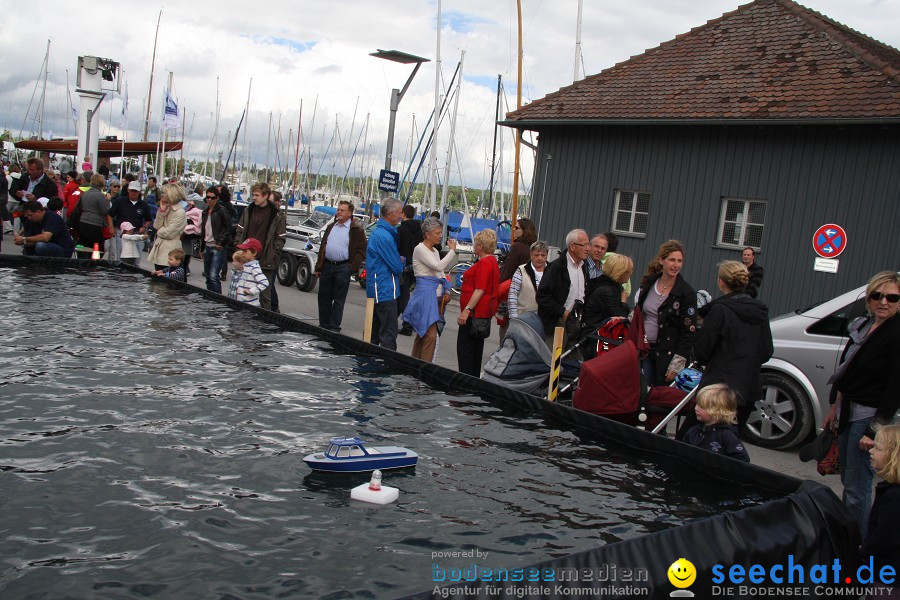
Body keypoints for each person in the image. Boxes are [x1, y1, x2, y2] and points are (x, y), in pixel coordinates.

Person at [824, 270, 900, 535]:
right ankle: (849, 533)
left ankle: (856, 544)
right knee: (848, 480)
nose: (884, 302)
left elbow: (895, 387)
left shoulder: (895, 332)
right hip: (848, 410)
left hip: (868, 417)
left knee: (858, 487)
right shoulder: (864, 327)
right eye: (877, 296)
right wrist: (835, 406)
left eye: (891, 297)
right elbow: (848, 370)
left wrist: (874, 430)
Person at [690, 260, 774, 431]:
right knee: (730, 438)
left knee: (697, 437)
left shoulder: (720, 310)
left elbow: (702, 351)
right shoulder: (760, 311)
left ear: (721, 282)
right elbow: (766, 350)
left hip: (718, 389)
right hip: (747, 388)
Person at [635, 240, 698, 386]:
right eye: (672, 260)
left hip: (667, 355)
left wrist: (677, 363)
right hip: (642, 349)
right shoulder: (649, 283)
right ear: (661, 260)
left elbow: (688, 332)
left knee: (657, 395)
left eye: (679, 261)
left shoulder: (686, 293)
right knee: (640, 390)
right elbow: (639, 313)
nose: (676, 265)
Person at [402, 217, 457, 362]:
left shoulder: (434, 251)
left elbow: (439, 273)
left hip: (434, 296)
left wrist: (446, 291)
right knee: (430, 335)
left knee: (423, 334)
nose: (440, 236)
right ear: (427, 234)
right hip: (425, 295)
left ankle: (414, 366)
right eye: (438, 233)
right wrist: (452, 252)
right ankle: (424, 367)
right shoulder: (420, 249)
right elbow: (438, 267)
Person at [315, 200, 367, 332]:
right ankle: (324, 324)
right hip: (327, 265)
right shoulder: (331, 226)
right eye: (338, 209)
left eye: (342, 210)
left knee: (338, 299)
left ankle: (333, 326)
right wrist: (319, 266)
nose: (339, 212)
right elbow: (323, 247)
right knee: (323, 296)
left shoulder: (356, 230)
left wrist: (351, 267)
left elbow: (362, 250)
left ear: (350, 213)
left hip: (343, 267)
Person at [234, 182, 286, 311]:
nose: (254, 198)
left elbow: (280, 239)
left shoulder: (277, 215)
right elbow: (240, 230)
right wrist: (238, 251)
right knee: (242, 289)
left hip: (266, 258)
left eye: (257, 195)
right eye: (253, 195)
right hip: (246, 256)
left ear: (266, 196)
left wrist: (273, 254)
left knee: (264, 293)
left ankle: (265, 322)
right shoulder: (248, 210)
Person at [456, 229, 500, 377]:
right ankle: (472, 380)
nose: (474, 246)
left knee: (466, 350)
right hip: (482, 313)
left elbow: (480, 289)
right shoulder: (492, 261)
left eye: (476, 243)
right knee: (475, 350)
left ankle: (465, 381)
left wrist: (467, 310)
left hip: (474, 314)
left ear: (480, 245)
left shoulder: (484, 263)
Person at [536, 229, 590, 349]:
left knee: (571, 362)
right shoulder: (557, 267)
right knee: (551, 363)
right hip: (557, 324)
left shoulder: (584, 267)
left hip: (576, 325)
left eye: (588, 244)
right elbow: (542, 297)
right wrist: (562, 312)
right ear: (572, 246)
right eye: (584, 245)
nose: (588, 248)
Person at [365, 197, 406, 349]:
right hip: (384, 290)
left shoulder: (382, 233)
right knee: (388, 333)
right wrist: (401, 260)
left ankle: (367, 364)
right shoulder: (384, 236)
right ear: (389, 213)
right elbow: (396, 266)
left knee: (374, 331)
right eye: (399, 212)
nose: (401, 216)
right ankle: (385, 366)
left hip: (381, 288)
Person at [861, 424, 900, 580]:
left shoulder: (895, 497)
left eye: (877, 448)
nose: (871, 451)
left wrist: (864, 550)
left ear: (894, 456)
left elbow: (886, 538)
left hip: (889, 575)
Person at [682, 384, 751, 462]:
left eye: (702, 406)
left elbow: (742, 460)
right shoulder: (694, 431)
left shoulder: (727, 435)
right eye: (697, 404)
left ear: (717, 411)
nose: (696, 408)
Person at [583, 253, 633, 332]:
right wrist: (624, 301)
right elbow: (619, 317)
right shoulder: (606, 292)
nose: (631, 273)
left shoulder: (605, 284)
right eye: (628, 271)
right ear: (620, 272)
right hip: (595, 335)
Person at [108, 181, 152, 261]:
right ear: (128, 190)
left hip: (136, 233)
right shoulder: (120, 201)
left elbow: (148, 219)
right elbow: (110, 215)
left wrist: (144, 227)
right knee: (120, 258)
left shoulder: (144, 205)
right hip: (121, 234)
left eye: (136, 191)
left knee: (136, 259)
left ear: (139, 192)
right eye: (132, 190)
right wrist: (111, 227)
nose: (133, 193)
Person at [397, 204, 424, 336]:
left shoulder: (401, 229)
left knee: (403, 295)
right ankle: (393, 320)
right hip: (416, 265)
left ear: (403, 214)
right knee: (405, 295)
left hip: (404, 264)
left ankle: (407, 325)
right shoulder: (419, 230)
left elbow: (398, 247)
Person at [148, 183, 188, 271]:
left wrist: (159, 231)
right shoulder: (166, 208)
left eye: (164, 193)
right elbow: (156, 225)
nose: (162, 195)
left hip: (171, 250)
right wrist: (161, 212)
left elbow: (169, 233)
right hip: (160, 248)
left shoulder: (180, 212)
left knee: (167, 276)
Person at [200, 186, 232, 293]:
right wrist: (202, 248)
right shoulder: (204, 212)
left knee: (214, 276)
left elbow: (228, 227)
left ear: (217, 198)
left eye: (212, 198)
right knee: (208, 276)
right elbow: (203, 231)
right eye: (207, 197)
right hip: (207, 245)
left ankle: (217, 299)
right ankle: (210, 297)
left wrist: (220, 242)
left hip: (217, 247)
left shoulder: (222, 210)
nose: (209, 200)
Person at [508, 240, 549, 320]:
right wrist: (513, 317)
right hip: (523, 317)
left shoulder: (552, 270)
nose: (539, 258)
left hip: (545, 318)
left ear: (547, 255)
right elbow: (512, 294)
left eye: (543, 255)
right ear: (530, 254)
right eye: (536, 255)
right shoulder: (521, 270)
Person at [77, 174, 112, 254]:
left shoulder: (85, 193)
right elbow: (105, 211)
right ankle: (94, 264)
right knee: (98, 249)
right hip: (94, 224)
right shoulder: (100, 195)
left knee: (84, 246)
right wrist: (108, 200)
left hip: (83, 221)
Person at [231, 238, 269, 306]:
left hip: (250, 304)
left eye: (245, 251)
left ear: (254, 253)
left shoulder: (254, 267)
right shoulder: (247, 266)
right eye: (242, 251)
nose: (242, 253)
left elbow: (264, 282)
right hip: (242, 302)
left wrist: (251, 291)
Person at [499, 217, 538, 282]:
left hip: (514, 284)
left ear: (525, 231)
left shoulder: (517, 247)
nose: (513, 229)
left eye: (517, 228)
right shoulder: (534, 247)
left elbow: (508, 270)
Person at [181, 199, 203, 276]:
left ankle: (185, 268)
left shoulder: (192, 211)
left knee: (186, 252)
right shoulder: (189, 210)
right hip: (189, 234)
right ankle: (185, 268)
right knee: (186, 252)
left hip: (188, 234)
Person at [584, 233, 609, 299]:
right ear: (589, 247)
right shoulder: (581, 265)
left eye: (603, 248)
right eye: (597, 246)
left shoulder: (605, 270)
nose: (599, 250)